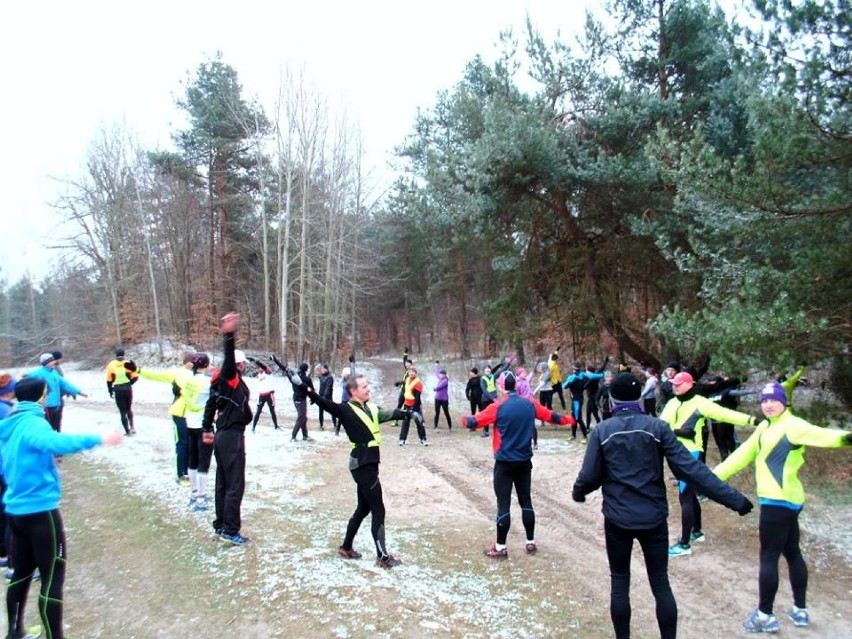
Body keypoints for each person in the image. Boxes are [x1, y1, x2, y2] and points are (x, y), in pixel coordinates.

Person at [572, 373, 753, 639]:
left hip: (617, 519)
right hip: (654, 518)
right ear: (639, 397)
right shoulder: (658, 428)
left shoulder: (602, 430)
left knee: (620, 582)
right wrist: (735, 500)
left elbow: (589, 477)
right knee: (660, 584)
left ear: (611, 399)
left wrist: (579, 493)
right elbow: (692, 470)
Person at [714, 380, 852, 633]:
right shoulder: (765, 428)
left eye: (773, 400)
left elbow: (824, 435)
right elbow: (740, 455)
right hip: (787, 502)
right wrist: (710, 478)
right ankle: (800, 610)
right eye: (764, 401)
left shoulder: (793, 426)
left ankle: (765, 615)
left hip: (777, 502)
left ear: (784, 401)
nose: (768, 405)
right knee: (792, 552)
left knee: (768, 557)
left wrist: (847, 437)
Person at [0, 376, 122, 639]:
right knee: (52, 575)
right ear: (42, 397)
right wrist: (99, 438)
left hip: (15, 511)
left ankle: (14, 633)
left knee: (21, 573)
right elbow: (56, 443)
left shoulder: (7, 424)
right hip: (40, 512)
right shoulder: (32, 423)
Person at [289, 371, 407, 568]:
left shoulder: (370, 407)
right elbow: (319, 400)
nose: (368, 388)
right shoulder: (344, 410)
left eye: (368, 386)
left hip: (369, 463)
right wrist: (302, 385)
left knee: (363, 508)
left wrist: (409, 413)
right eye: (364, 387)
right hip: (362, 465)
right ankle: (383, 557)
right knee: (378, 509)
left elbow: (387, 414)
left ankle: (346, 548)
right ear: (353, 391)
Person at [462, 372, 576, 558]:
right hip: (524, 462)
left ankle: (500, 547)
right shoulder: (529, 404)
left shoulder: (498, 406)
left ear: (501, 387)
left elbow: (474, 421)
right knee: (526, 501)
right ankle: (530, 542)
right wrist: (570, 419)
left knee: (503, 504)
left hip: (504, 463)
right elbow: (552, 416)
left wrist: (464, 420)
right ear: (515, 385)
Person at [659, 371, 760, 557]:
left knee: (686, 497)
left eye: (679, 384)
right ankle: (696, 532)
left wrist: (752, 420)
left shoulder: (700, 402)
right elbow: (661, 427)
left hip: (691, 454)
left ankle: (684, 544)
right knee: (688, 494)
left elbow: (724, 414)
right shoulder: (672, 403)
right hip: (674, 455)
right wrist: (679, 432)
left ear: (690, 385)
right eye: (673, 383)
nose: (675, 386)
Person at [202, 313, 254, 545]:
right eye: (242, 364)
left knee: (223, 483)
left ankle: (221, 525)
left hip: (222, 436)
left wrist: (206, 428)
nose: (243, 367)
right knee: (234, 485)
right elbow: (229, 361)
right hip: (231, 438)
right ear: (239, 365)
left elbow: (210, 404)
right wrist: (229, 335)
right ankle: (231, 530)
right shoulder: (230, 378)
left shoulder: (218, 383)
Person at [136, 351, 209, 486]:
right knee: (183, 444)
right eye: (193, 362)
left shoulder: (201, 376)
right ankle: (182, 474)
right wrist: (138, 370)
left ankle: (192, 471)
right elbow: (157, 376)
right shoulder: (178, 373)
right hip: (180, 414)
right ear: (189, 363)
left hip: (195, 416)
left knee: (193, 445)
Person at [26, 353, 88, 432]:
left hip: (56, 404)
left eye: (53, 360)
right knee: (47, 427)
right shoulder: (38, 373)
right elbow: (26, 382)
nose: (54, 362)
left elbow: (65, 384)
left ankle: (56, 439)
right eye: (51, 361)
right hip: (46, 406)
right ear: (46, 363)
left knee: (56, 426)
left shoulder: (54, 373)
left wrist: (79, 392)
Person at [184, 354, 212, 511]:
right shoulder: (207, 382)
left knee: (193, 459)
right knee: (204, 462)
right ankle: (201, 497)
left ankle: (194, 493)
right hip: (203, 425)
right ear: (206, 365)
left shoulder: (189, 380)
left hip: (190, 423)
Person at [562, 361, 606, 442]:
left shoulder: (572, 378)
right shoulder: (584, 375)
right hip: (578, 399)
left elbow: (564, 386)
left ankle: (585, 436)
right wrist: (604, 374)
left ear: (574, 369)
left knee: (578, 418)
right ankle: (573, 435)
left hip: (576, 401)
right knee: (573, 418)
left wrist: (569, 380)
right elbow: (595, 376)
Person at [0, 373, 17, 570]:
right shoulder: (7, 412)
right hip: (6, 467)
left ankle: (4, 553)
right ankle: (14, 563)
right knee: (11, 513)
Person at [105, 348, 139, 436]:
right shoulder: (128, 363)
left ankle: (127, 432)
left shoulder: (111, 365)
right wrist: (129, 384)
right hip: (127, 389)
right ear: (124, 354)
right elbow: (135, 377)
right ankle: (132, 427)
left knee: (122, 412)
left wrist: (110, 390)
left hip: (118, 390)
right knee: (129, 409)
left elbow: (109, 380)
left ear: (115, 355)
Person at [248, 357, 280, 432]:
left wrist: (254, 360)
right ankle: (253, 427)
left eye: (260, 368)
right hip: (261, 395)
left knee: (272, 411)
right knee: (258, 411)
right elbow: (252, 375)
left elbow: (263, 366)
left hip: (269, 395)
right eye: (258, 368)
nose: (259, 369)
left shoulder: (268, 372)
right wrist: (254, 373)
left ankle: (276, 426)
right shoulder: (259, 374)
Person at [399, 366, 428, 446]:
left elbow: (417, 397)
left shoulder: (418, 383)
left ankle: (423, 439)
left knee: (419, 423)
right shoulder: (407, 379)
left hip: (414, 406)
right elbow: (405, 389)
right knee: (405, 423)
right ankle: (402, 439)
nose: (411, 373)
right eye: (410, 372)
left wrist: (414, 408)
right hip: (406, 404)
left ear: (416, 373)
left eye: (413, 372)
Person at [289, 363, 315, 442]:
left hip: (296, 398)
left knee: (303, 417)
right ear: (306, 370)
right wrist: (313, 398)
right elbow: (311, 390)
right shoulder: (307, 379)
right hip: (301, 399)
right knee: (302, 417)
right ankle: (293, 436)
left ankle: (305, 435)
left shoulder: (295, 377)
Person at [317, 364, 337, 432]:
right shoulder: (321, 377)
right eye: (321, 369)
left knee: (332, 411)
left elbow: (328, 388)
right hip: (321, 396)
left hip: (327, 397)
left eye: (324, 369)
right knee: (320, 411)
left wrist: (325, 397)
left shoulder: (330, 377)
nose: (322, 370)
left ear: (327, 369)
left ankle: (335, 424)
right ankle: (321, 425)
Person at [433, 362, 452, 430]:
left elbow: (441, 386)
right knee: (437, 413)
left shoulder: (445, 380)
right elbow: (436, 372)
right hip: (437, 398)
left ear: (444, 375)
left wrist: (435, 389)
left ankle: (450, 427)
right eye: (440, 374)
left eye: (442, 374)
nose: (440, 375)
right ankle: (435, 427)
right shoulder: (440, 378)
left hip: (444, 399)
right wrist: (437, 365)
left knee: (446, 412)